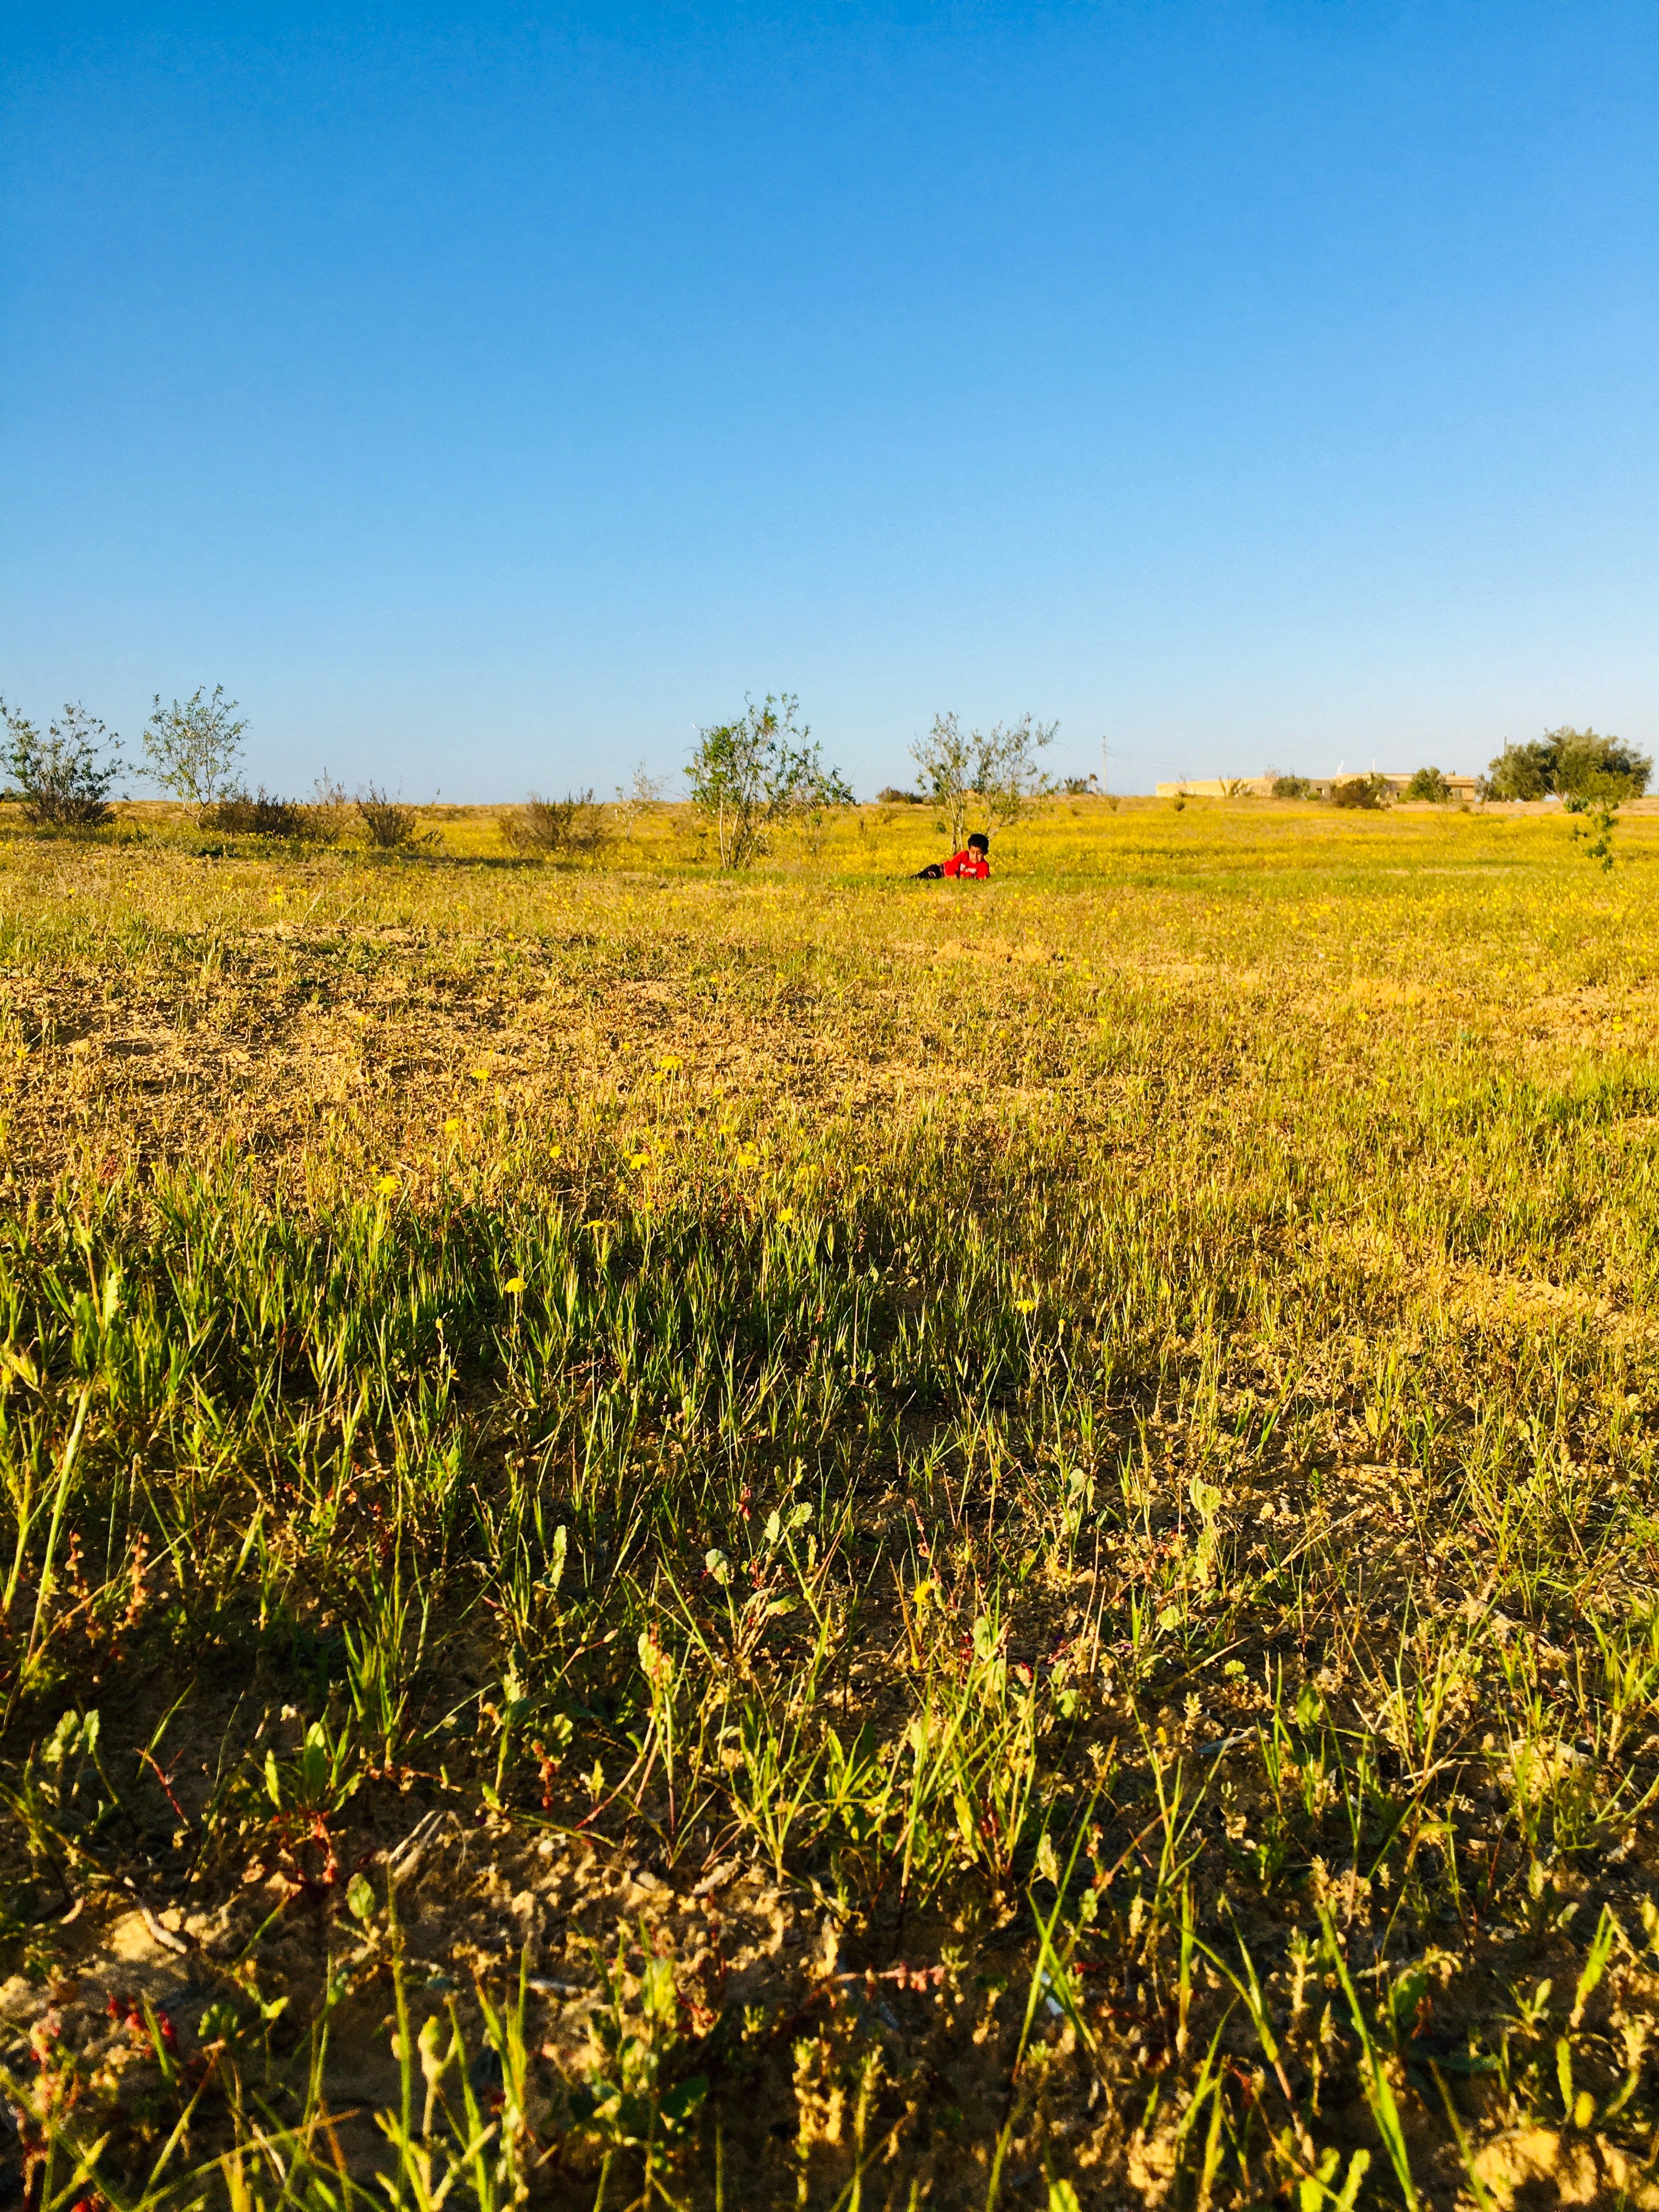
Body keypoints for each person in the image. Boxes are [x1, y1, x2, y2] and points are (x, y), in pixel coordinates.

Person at [913, 832, 990, 882]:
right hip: (941, 870)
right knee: (928, 876)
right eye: (972, 853)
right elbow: (949, 870)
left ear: (985, 853)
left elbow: (981, 879)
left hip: (953, 879)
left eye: (979, 853)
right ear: (969, 850)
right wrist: (956, 880)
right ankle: (910, 880)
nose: (975, 856)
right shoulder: (963, 855)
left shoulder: (983, 865)